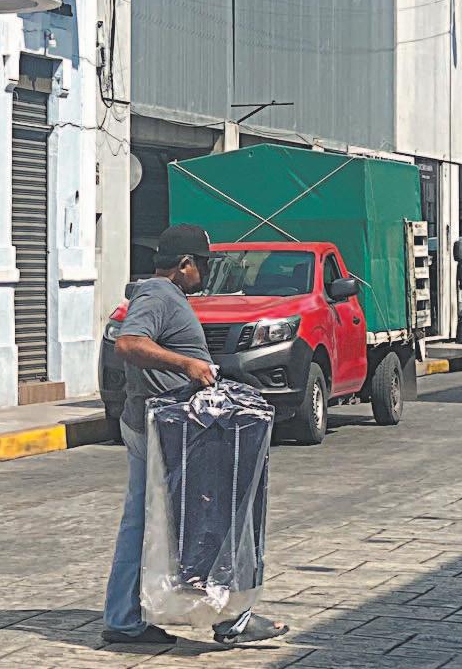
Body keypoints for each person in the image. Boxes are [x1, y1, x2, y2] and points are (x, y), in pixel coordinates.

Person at [102, 224, 285, 648]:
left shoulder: (166, 295)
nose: (205, 272)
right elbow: (128, 344)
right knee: (206, 519)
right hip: (165, 430)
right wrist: (187, 365)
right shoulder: (157, 294)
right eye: (202, 264)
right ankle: (225, 618)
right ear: (184, 264)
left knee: (159, 521)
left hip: (169, 427)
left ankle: (130, 618)